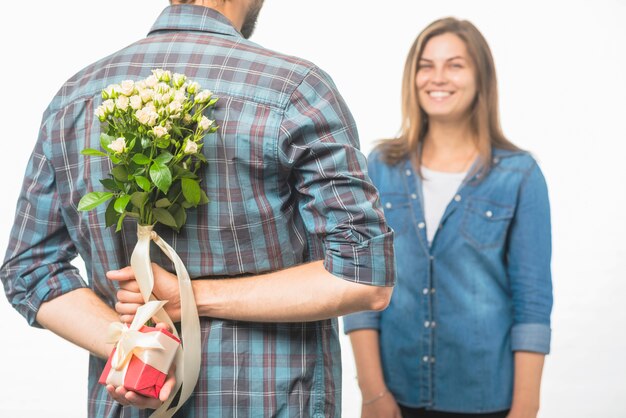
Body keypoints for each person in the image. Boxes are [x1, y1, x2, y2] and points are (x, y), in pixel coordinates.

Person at [0, 1, 395, 417]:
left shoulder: (76, 97)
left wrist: (134, 349)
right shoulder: (295, 90)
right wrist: (193, 298)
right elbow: (365, 278)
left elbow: (30, 268)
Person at [343, 17, 552, 418]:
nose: (438, 77)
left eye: (455, 64)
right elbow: (361, 286)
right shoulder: (381, 167)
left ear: (480, 77)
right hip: (395, 397)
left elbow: (533, 303)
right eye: (426, 64)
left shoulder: (520, 175)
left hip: (487, 399)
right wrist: (373, 394)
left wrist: (525, 409)